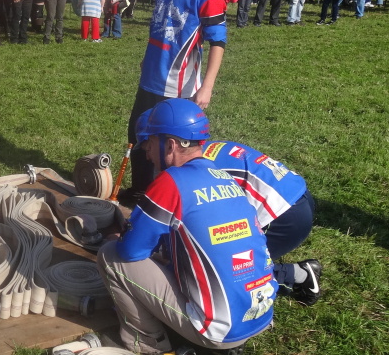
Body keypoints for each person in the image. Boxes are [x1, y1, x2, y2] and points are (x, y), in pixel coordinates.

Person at [98, 99, 276, 355]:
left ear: (170, 145)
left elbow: (130, 252)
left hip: (219, 329)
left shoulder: (170, 182)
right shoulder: (225, 177)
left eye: (149, 144)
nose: (147, 153)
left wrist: (115, 237)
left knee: (111, 256)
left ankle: (148, 345)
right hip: (259, 312)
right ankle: (225, 330)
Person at [132, 110, 322, 305]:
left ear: (167, 144)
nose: (147, 156)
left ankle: (299, 274)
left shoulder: (189, 172)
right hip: (295, 195)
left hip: (285, 213)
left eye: (149, 148)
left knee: (224, 268)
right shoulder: (199, 152)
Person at [124, 0, 226, 199]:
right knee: (138, 137)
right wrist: (148, 56)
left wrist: (207, 86)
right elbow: (161, 23)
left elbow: (218, 41)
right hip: (151, 76)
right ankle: (140, 194)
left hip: (178, 85)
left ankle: (165, 201)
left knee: (167, 150)